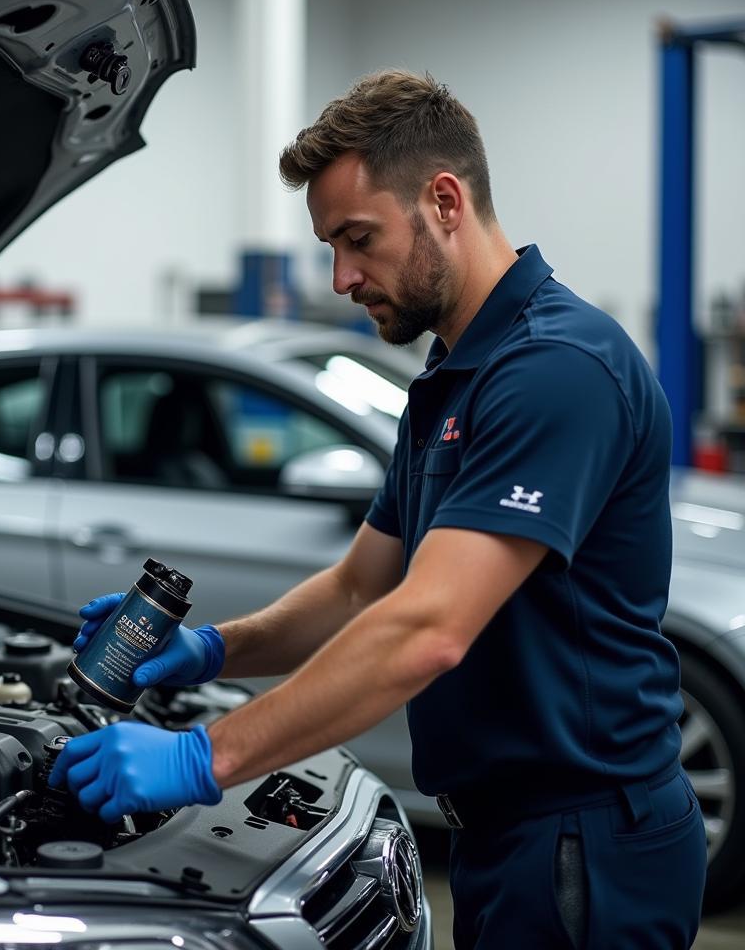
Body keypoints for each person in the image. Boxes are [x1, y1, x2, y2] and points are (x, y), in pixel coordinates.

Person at [49, 70, 707, 948]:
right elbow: (362, 589)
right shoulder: (448, 380)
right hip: (507, 836)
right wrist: (208, 651)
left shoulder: (557, 368)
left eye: (358, 239)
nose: (342, 276)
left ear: (443, 200)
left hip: (583, 840)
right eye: (330, 245)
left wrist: (203, 758)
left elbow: (427, 626)